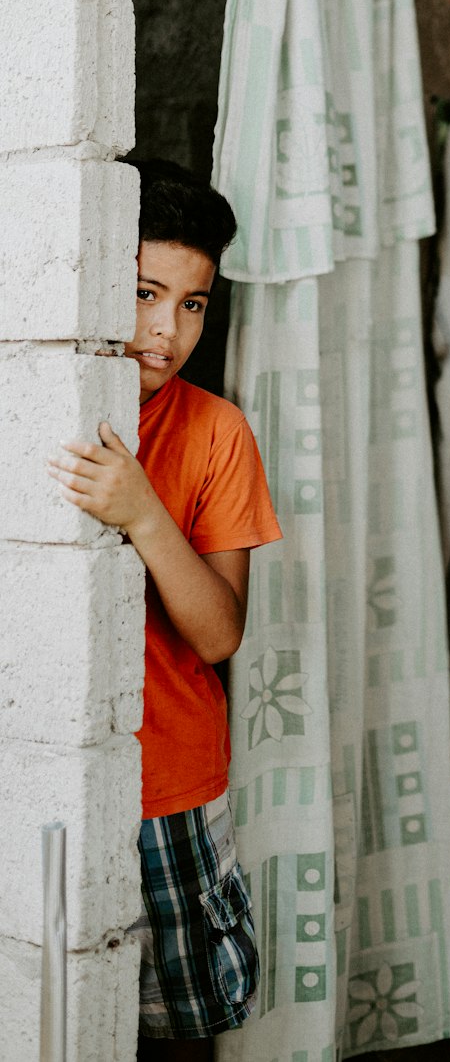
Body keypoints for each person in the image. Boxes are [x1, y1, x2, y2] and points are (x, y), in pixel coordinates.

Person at [48, 159, 281, 1061]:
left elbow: (222, 633)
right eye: (146, 292)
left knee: (179, 1029)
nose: (165, 328)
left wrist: (145, 510)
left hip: (171, 782)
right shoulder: (41, 405)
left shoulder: (215, 430)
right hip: (52, 776)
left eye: (192, 304)